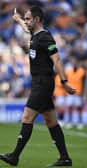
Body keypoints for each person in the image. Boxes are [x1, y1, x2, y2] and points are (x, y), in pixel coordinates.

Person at [0, 6, 76, 167]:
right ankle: (65, 158)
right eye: (25, 19)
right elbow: (27, 29)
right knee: (51, 121)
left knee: (27, 117)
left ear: (37, 19)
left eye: (28, 19)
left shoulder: (46, 37)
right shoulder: (35, 35)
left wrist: (64, 82)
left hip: (43, 83)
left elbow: (57, 60)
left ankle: (15, 156)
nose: (26, 22)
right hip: (39, 82)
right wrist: (18, 19)